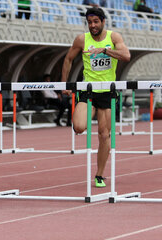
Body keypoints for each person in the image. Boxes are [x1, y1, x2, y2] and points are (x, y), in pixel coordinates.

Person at [61, 8, 130, 187]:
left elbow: (126, 56)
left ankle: (99, 175)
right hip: (88, 90)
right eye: (89, 22)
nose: (92, 25)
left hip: (107, 91)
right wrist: (64, 84)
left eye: (96, 22)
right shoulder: (81, 39)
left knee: (104, 135)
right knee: (79, 127)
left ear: (103, 22)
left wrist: (105, 51)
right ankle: (85, 117)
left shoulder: (114, 38)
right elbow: (68, 59)